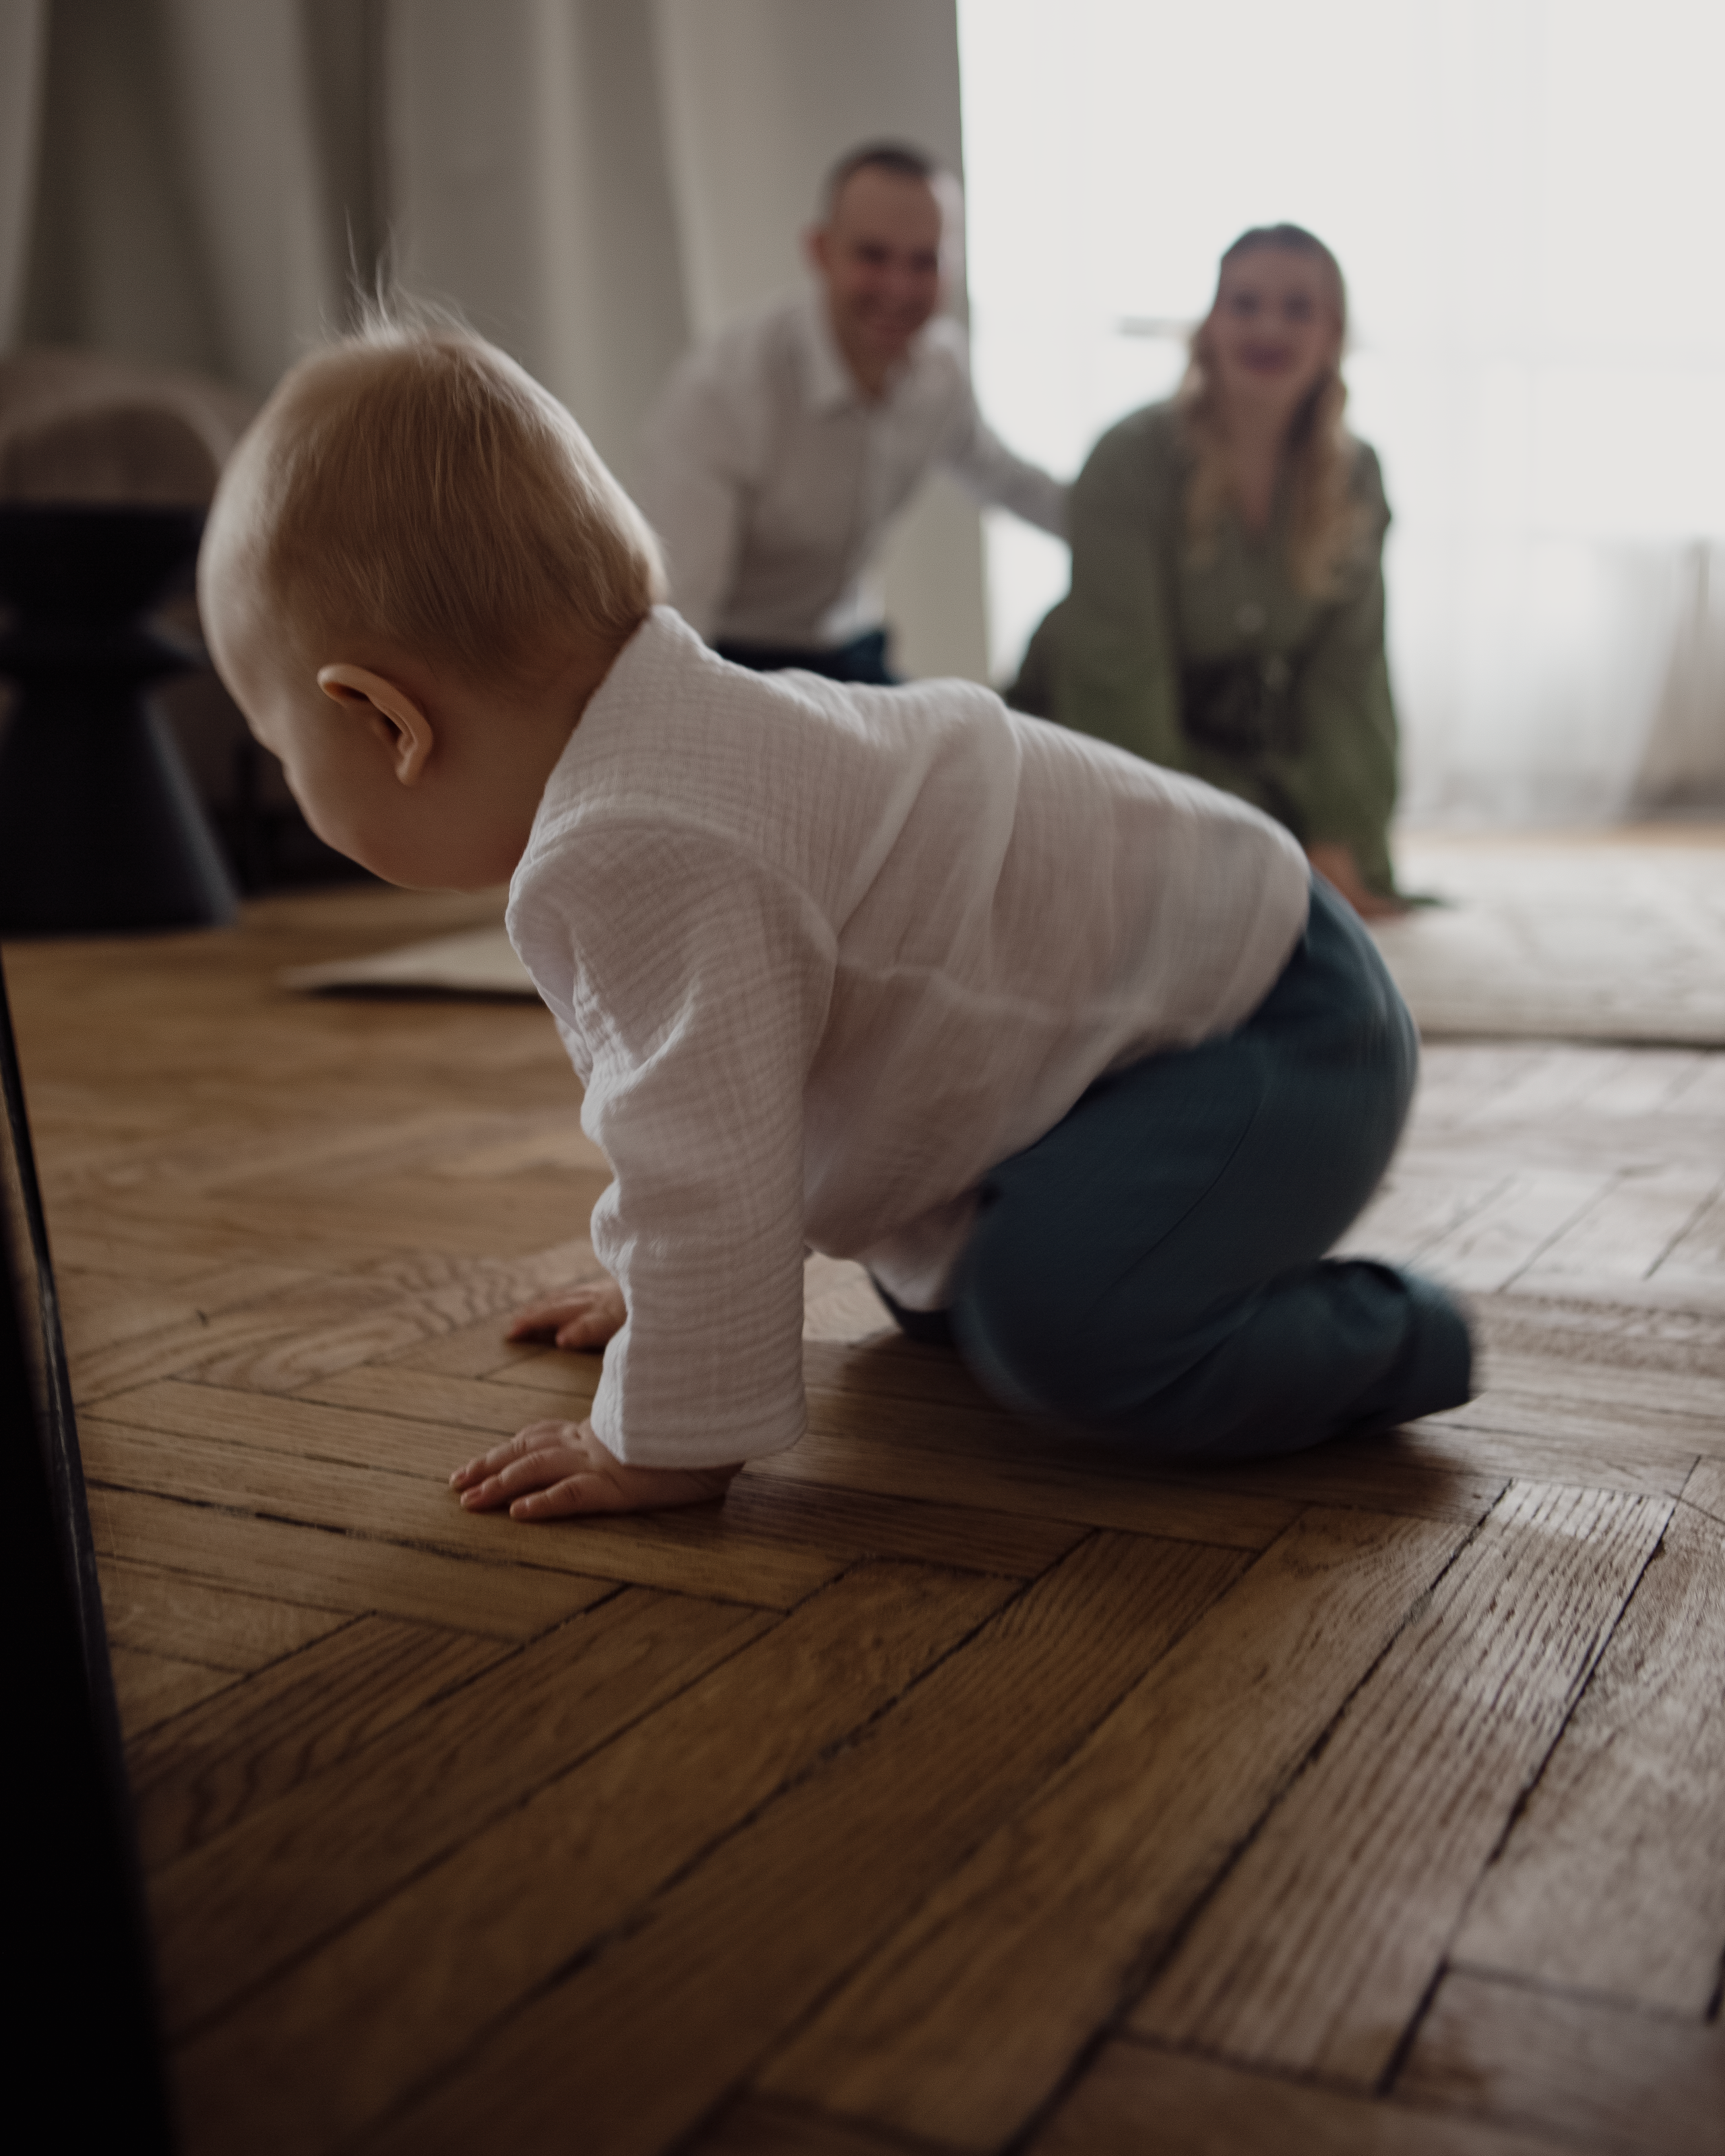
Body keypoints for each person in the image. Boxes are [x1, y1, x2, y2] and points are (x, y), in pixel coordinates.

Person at [197, 313, 1470, 1522]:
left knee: (1063, 1330)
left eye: (278, 747)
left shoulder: (649, 836)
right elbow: (736, 1099)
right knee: (939, 1294)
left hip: (1275, 1021)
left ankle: (1402, 1336)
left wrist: (662, 1427)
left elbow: (707, 1161)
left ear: (386, 721)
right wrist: (662, 1294)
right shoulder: (668, 753)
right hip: (1174, 1007)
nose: (288, 776)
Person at [1011, 224, 1403, 917]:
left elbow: (1351, 679)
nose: (1268, 328)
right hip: (1112, 739)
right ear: (1210, 326)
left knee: (1329, 881)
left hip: (1249, 757)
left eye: (1297, 308)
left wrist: (1338, 830)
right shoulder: (1127, 461)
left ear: (1333, 335)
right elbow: (1119, 685)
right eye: (1244, 304)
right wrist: (1194, 840)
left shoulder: (1356, 477)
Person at [633, 141, 1067, 684]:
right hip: (731, 659)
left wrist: (1130, 524)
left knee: (974, 729)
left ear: (953, 266)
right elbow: (678, 617)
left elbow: (1007, 480)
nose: (898, 288)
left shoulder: (942, 371)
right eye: (873, 256)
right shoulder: (724, 394)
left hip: (847, 650)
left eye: (924, 262)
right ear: (820, 251)